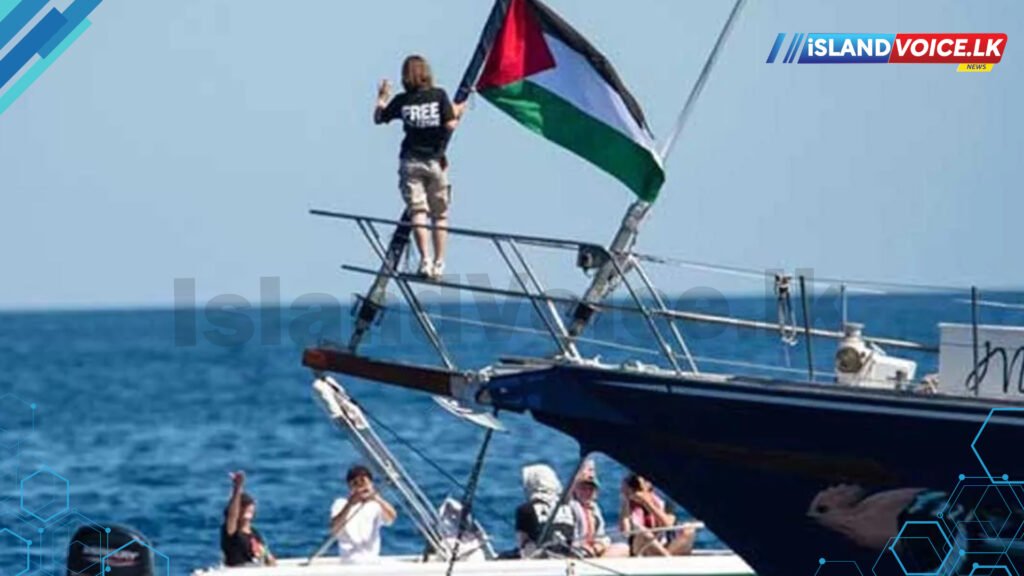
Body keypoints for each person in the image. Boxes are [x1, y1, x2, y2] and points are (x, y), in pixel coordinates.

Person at [374, 55, 467, 280]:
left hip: (410, 162)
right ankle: (439, 263)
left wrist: (382, 97)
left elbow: (379, 118)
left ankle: (425, 260)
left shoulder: (403, 101)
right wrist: (459, 112)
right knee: (440, 215)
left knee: (418, 212)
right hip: (436, 162)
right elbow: (450, 124)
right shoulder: (439, 95)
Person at [330, 465, 398, 564]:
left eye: (363, 483)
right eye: (355, 484)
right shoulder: (340, 503)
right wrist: (349, 505)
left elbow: (392, 517)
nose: (360, 487)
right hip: (349, 562)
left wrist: (377, 498)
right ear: (350, 487)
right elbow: (334, 528)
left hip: (372, 560)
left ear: (371, 483)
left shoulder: (375, 506)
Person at [620, 473, 696, 557]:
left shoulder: (663, 502)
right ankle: (669, 560)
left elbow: (668, 524)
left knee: (689, 529)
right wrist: (626, 500)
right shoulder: (629, 505)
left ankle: (666, 558)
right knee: (643, 532)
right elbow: (626, 532)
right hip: (640, 548)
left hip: (663, 545)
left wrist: (647, 503)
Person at [515, 464, 576, 558]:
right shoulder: (568, 509)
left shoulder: (525, 510)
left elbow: (522, 543)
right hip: (565, 557)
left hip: (538, 559)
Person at [569, 462, 629, 558]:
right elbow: (571, 539)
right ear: (576, 489)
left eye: (591, 489)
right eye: (583, 489)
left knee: (622, 547)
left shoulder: (595, 509)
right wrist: (580, 473)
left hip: (593, 551)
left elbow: (602, 535)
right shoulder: (572, 506)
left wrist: (599, 545)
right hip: (576, 553)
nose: (587, 492)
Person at [221, 470, 276, 567]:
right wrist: (238, 488)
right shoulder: (231, 532)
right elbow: (232, 515)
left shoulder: (254, 533)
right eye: (243, 506)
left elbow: (266, 555)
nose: (247, 509)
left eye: (249, 506)